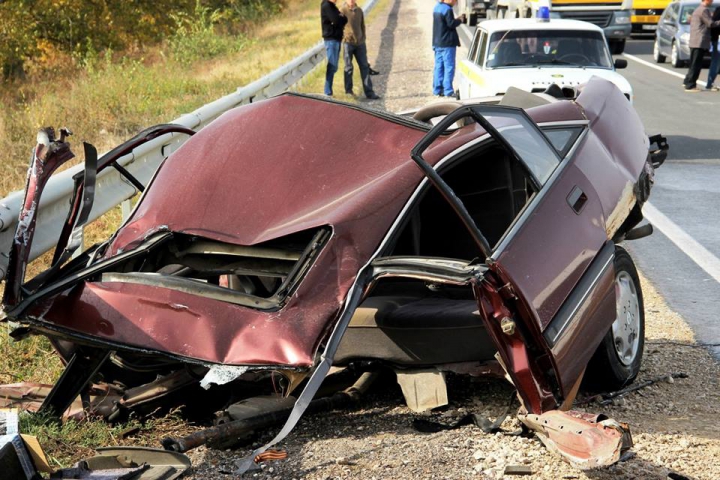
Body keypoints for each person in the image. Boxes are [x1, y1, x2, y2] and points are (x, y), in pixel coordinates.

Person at [341, 0, 381, 99]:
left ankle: (369, 92)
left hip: (360, 44)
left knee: (364, 67)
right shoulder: (342, 11)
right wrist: (344, 38)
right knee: (348, 68)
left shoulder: (359, 10)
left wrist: (363, 38)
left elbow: (362, 25)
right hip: (348, 44)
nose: (351, 1)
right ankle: (348, 91)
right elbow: (337, 26)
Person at [683, 0, 720, 92]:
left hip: (695, 41)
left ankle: (687, 81)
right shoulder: (704, 10)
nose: (712, 2)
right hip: (699, 41)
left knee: (693, 63)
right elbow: (710, 23)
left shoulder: (698, 9)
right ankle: (690, 85)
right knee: (696, 64)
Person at [432, 0, 466, 97]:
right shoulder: (447, 9)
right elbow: (451, 24)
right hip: (447, 43)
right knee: (449, 67)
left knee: (439, 66)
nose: (455, 2)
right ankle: (448, 91)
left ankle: (437, 90)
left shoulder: (436, 7)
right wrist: (459, 20)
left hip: (437, 43)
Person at [321, 0, 347, 97]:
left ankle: (328, 90)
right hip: (331, 39)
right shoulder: (326, 5)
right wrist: (340, 17)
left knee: (334, 66)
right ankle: (327, 92)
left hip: (336, 39)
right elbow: (336, 20)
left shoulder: (333, 6)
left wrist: (340, 18)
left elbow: (345, 19)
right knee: (332, 65)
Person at [705, 6, 720, 90]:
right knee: (716, 63)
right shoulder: (719, 10)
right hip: (718, 40)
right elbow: (714, 25)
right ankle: (709, 83)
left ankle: (710, 83)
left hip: (716, 39)